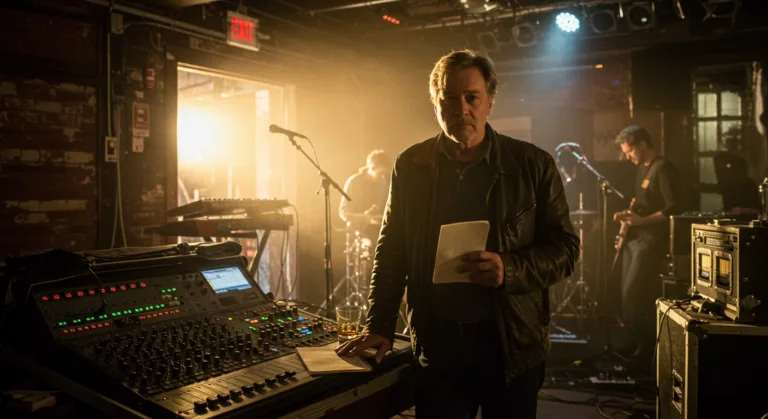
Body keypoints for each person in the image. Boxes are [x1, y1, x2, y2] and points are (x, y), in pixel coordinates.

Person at [336, 50, 580, 419]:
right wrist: (380, 324)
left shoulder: (533, 164)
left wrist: (509, 268)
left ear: (489, 103)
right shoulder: (410, 165)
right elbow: (392, 249)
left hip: (512, 347)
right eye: (448, 98)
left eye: (471, 98)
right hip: (439, 350)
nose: (460, 109)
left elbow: (566, 249)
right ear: (435, 103)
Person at [613, 125, 681, 361]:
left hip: (651, 241)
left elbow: (673, 207)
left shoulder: (663, 168)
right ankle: (631, 341)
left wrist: (642, 221)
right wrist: (628, 216)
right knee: (624, 293)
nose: (627, 157)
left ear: (642, 144)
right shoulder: (642, 168)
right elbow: (642, 202)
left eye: (630, 151)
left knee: (634, 293)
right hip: (635, 239)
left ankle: (646, 347)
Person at [339, 149, 392, 238]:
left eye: (385, 173)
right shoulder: (354, 182)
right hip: (357, 236)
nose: (383, 176)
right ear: (373, 167)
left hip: (378, 234)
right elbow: (344, 213)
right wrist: (367, 218)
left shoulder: (384, 183)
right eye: (381, 173)